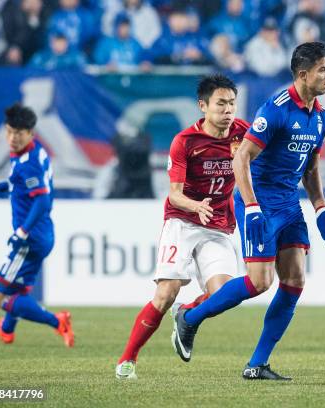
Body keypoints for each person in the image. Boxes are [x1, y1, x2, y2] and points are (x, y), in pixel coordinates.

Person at [172, 41, 325, 380]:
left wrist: (320, 206)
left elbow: (310, 165)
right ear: (303, 74)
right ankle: (189, 317)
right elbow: (241, 157)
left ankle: (257, 364)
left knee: (294, 280)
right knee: (259, 282)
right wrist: (249, 207)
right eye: (323, 69)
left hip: (288, 203)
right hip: (258, 201)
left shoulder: (322, 116)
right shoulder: (276, 109)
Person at [115, 74, 249, 380]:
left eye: (232, 103)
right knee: (166, 293)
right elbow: (174, 193)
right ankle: (127, 361)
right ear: (203, 106)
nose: (228, 110)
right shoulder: (185, 142)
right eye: (220, 104)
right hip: (183, 221)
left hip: (219, 225)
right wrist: (197, 205)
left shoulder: (243, 133)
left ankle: (188, 314)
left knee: (224, 294)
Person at [0, 104, 74, 348]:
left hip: (29, 239)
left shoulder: (28, 162)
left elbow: (42, 201)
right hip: (43, 234)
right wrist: (10, 184)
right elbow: (29, 183)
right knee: (20, 291)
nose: (12, 138)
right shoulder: (34, 152)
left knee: (0, 296)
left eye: (18, 134)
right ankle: (6, 330)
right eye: (9, 131)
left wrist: (22, 232)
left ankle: (57, 321)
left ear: (31, 133)